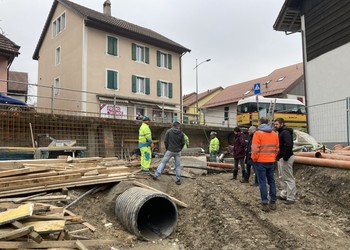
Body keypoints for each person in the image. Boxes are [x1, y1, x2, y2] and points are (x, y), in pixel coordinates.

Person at [251, 117, 279, 212]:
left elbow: (255, 149)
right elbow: (276, 149)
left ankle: (264, 203)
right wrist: (273, 157)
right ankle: (273, 201)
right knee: (271, 181)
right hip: (271, 161)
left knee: (262, 182)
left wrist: (254, 159)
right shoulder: (274, 134)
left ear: (259, 123)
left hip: (260, 162)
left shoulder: (257, 134)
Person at [274, 117, 296, 205]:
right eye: (275, 124)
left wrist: (285, 157)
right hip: (282, 157)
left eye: (277, 124)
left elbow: (288, 145)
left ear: (282, 124)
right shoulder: (281, 132)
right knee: (282, 177)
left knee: (288, 178)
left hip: (286, 157)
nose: (275, 126)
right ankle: (284, 194)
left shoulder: (285, 133)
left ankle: (291, 197)